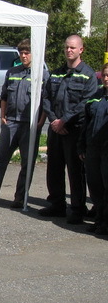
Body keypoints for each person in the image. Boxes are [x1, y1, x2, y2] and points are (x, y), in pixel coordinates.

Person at [0, 39, 48, 208]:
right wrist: (3, 117)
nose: (23, 56)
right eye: (21, 53)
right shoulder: (12, 72)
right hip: (11, 122)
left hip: (29, 125)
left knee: (27, 162)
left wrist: (41, 121)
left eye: (27, 53)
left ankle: (20, 197)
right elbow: (4, 97)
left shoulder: (42, 75)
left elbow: (46, 101)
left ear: (34, 54)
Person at [40, 34, 98, 224]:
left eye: (72, 47)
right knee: (54, 169)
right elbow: (46, 98)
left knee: (75, 171)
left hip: (74, 130)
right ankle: (57, 204)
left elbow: (86, 103)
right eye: (66, 47)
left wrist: (64, 121)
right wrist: (54, 120)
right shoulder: (56, 73)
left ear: (81, 50)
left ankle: (77, 209)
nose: (68, 50)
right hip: (56, 129)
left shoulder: (88, 75)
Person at [78, 62, 108, 235]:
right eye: (104, 75)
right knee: (95, 186)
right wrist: (81, 146)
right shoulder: (96, 96)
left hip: (106, 150)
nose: (106, 78)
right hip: (92, 149)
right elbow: (86, 124)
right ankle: (99, 220)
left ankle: (106, 223)